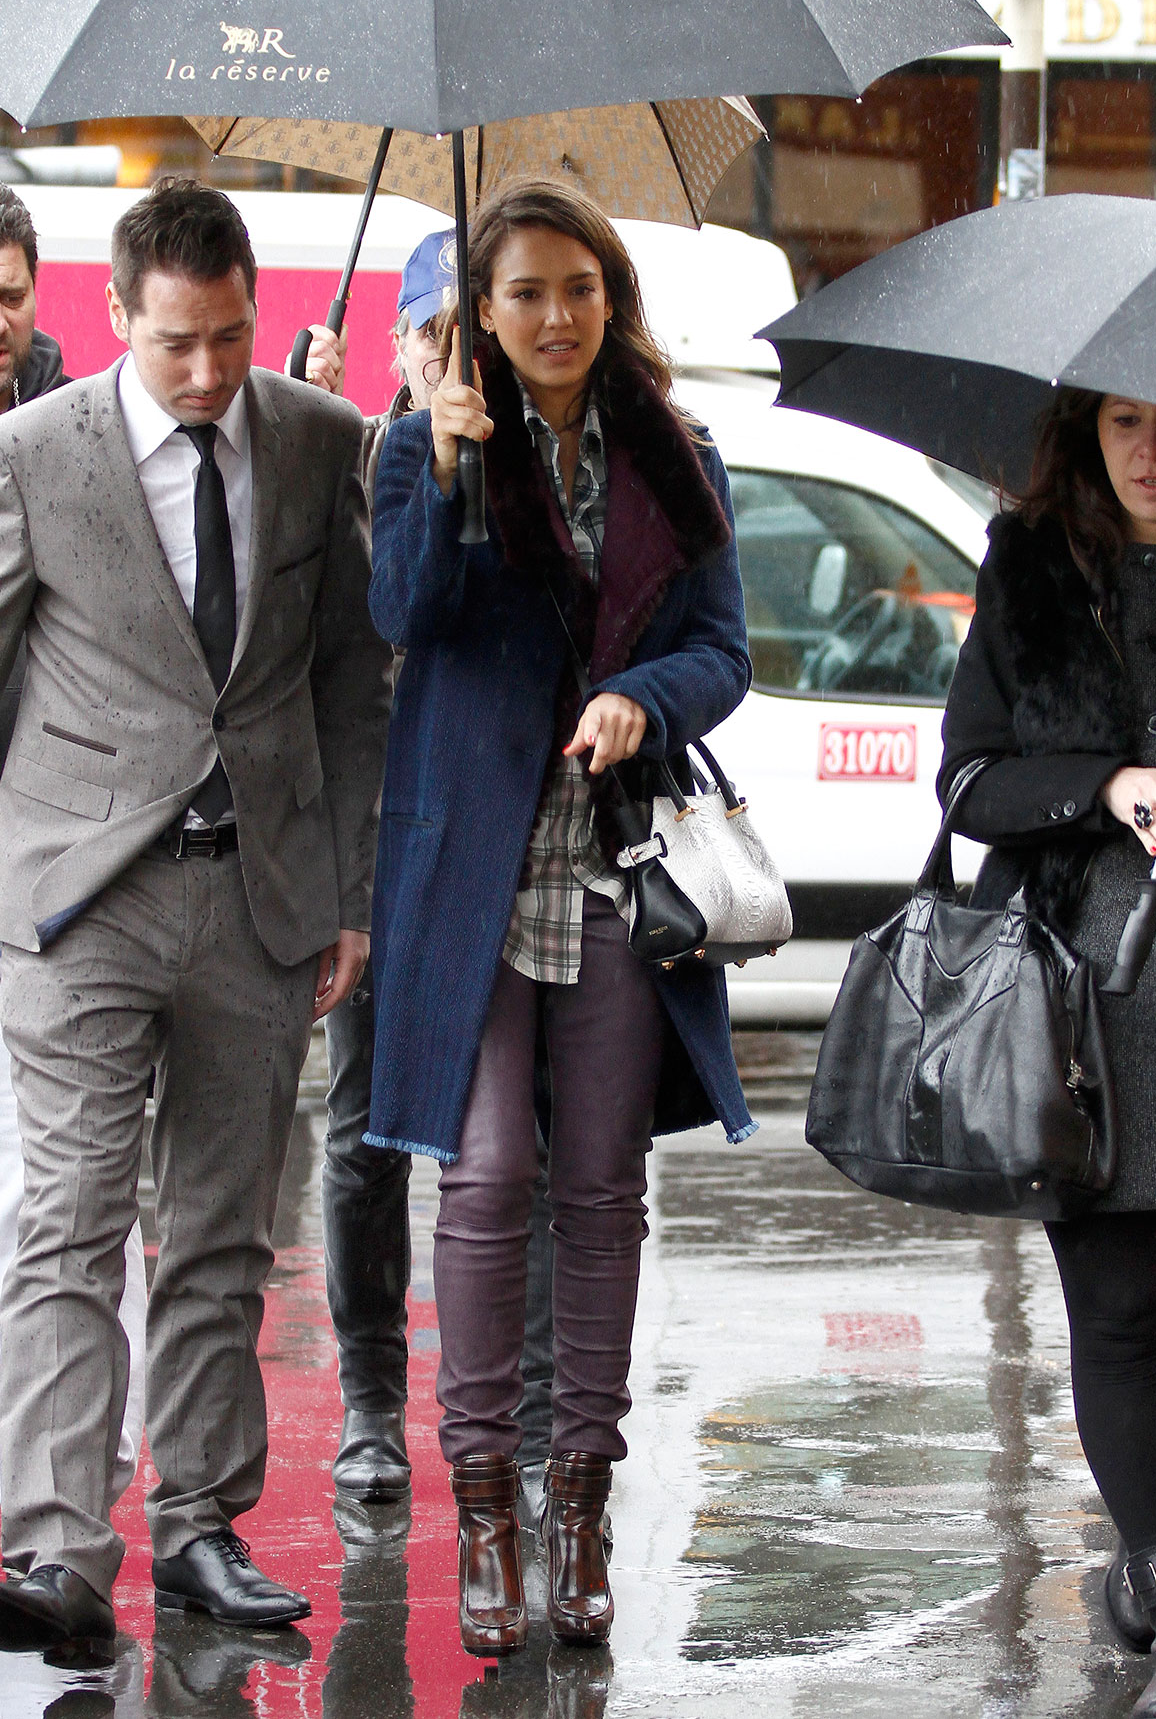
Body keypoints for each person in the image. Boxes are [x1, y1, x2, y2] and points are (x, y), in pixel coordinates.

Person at [0, 177, 391, 1655]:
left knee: (222, 1231)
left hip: (260, 893)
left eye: (231, 337)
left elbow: (354, 681)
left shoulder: (318, 441)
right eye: (179, 343)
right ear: (118, 316)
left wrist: (345, 888)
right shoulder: (33, 454)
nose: (212, 371)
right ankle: (55, 1546)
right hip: (77, 899)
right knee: (72, 1218)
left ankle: (201, 1526)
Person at [368, 176, 755, 1657]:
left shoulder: (679, 452)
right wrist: (453, 476)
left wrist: (634, 696)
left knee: (600, 1184)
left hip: (614, 854)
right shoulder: (423, 443)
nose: (553, 317)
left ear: (613, 299)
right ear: (482, 309)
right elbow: (406, 617)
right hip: (472, 858)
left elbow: (721, 651)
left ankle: (581, 1505)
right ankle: (483, 1510)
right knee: (484, 1174)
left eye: (578, 290)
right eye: (523, 293)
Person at [940, 390, 1156, 1718]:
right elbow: (968, 778)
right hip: (1080, 1002)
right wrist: (1102, 783)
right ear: (1085, 436)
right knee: (1115, 1308)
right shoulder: (1032, 564)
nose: (1150, 454)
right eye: (1121, 424)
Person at [0, 183, 149, 1512]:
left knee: (58, 1194)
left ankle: (66, 1489)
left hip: (54, 874)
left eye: (3, 293)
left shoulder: (65, 444)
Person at [317, 229, 454, 1506]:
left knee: (497, 1134)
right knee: (363, 1128)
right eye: (432, 331)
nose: (449, 352)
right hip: (363, 834)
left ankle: (502, 1414)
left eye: (470, 331)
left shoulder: (523, 469)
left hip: (483, 828)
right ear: (402, 341)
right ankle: (370, 1401)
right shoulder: (346, 454)